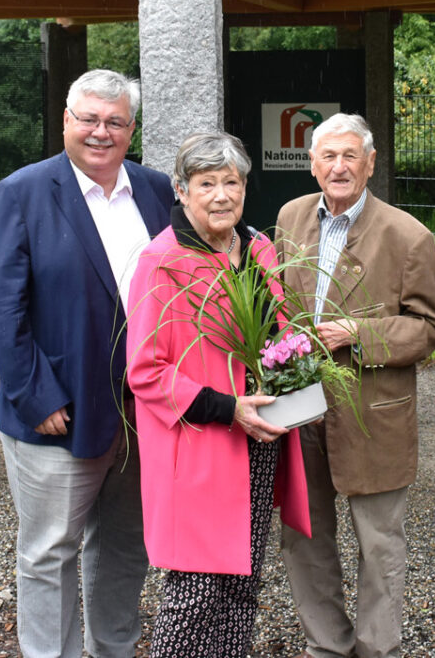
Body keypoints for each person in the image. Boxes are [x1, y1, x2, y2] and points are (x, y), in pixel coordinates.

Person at [0, 69, 173, 658]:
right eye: (87, 118)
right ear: (66, 120)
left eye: (114, 121)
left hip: (143, 415)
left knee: (124, 549)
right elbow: (2, 302)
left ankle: (112, 651)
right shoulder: (23, 192)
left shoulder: (158, 190)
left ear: (131, 129)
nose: (99, 132)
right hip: (57, 409)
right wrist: (36, 395)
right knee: (48, 554)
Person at [126, 131, 311, 658]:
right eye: (206, 183)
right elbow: (145, 369)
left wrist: (299, 374)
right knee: (194, 592)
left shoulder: (257, 248)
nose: (221, 195)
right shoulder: (161, 262)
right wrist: (228, 408)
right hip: (201, 445)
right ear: (182, 192)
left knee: (243, 581)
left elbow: (277, 333)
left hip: (258, 442)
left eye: (231, 182)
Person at [274, 113, 435, 658]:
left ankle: (377, 648)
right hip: (301, 406)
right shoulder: (289, 217)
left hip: (374, 410)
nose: (339, 167)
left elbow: (431, 326)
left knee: (378, 544)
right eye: (328, 156)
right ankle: (326, 644)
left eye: (351, 156)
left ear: (371, 163)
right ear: (312, 164)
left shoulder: (407, 235)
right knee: (304, 536)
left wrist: (360, 333)